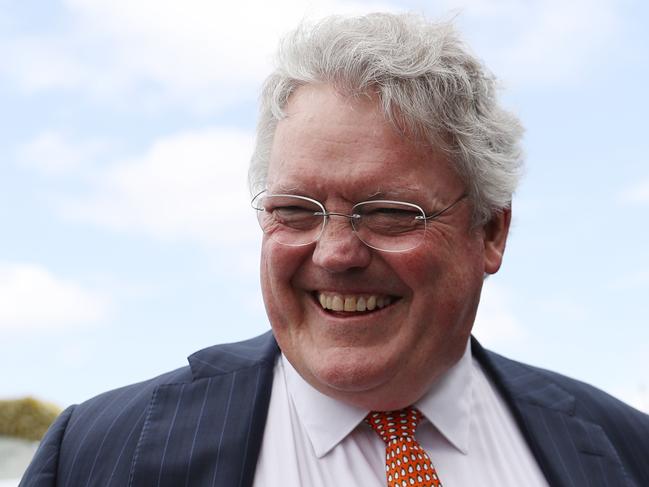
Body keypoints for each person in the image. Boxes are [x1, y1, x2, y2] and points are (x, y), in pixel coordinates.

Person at [20, 12, 649, 487]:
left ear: (490, 232)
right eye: (295, 211)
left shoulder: (626, 451)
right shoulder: (97, 451)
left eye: (389, 214)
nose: (337, 252)